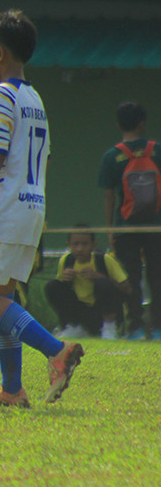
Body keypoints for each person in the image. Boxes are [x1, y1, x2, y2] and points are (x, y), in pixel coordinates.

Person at [0, 10, 82, 409]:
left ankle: (56, 350)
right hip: (32, 205)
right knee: (2, 294)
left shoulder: (0, 94)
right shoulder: (33, 97)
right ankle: (12, 389)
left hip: (5, 207)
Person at [97, 101, 161, 340]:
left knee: (130, 278)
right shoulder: (157, 151)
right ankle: (157, 328)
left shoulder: (112, 156)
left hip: (125, 227)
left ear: (118, 124)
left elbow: (109, 196)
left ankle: (134, 327)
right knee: (157, 276)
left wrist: (110, 230)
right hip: (157, 226)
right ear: (143, 124)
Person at [46, 227, 130, 340]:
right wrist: (66, 280)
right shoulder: (66, 261)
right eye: (75, 244)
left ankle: (109, 328)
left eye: (84, 244)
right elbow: (61, 292)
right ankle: (75, 327)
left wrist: (97, 276)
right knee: (52, 286)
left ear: (93, 245)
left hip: (104, 310)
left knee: (103, 283)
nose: (79, 249)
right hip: (82, 312)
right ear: (68, 245)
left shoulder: (104, 260)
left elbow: (127, 289)